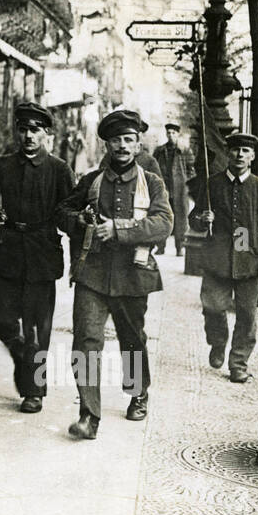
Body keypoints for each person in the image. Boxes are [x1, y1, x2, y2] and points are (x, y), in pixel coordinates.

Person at [57, 109, 173, 441]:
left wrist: (120, 229)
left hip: (133, 276)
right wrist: (79, 221)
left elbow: (164, 223)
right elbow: (62, 211)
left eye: (128, 140)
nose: (122, 146)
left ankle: (138, 393)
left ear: (138, 145)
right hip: (92, 274)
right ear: (106, 144)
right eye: (115, 140)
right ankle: (88, 415)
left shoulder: (151, 183)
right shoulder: (91, 181)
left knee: (132, 341)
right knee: (85, 342)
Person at [0, 102, 74, 414]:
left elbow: (68, 211)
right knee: (0, 318)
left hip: (41, 253)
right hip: (6, 251)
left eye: (35, 130)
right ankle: (23, 356)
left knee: (38, 328)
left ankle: (34, 390)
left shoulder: (59, 169)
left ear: (48, 133)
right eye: (23, 129)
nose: (28, 136)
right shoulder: (3, 165)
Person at [188, 132, 258, 383]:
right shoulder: (212, 184)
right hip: (217, 259)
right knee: (212, 307)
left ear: (252, 157)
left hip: (249, 260)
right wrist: (202, 219)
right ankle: (218, 341)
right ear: (228, 154)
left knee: (247, 316)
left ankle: (238, 363)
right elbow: (194, 219)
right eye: (235, 150)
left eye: (245, 151)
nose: (239, 155)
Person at [153, 123, 190, 256]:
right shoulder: (160, 150)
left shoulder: (184, 150)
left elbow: (191, 169)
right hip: (163, 189)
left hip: (180, 189)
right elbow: (153, 168)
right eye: (169, 133)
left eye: (173, 133)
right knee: (162, 216)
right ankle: (161, 246)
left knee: (181, 219)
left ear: (178, 134)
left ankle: (180, 247)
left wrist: (186, 183)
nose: (171, 135)